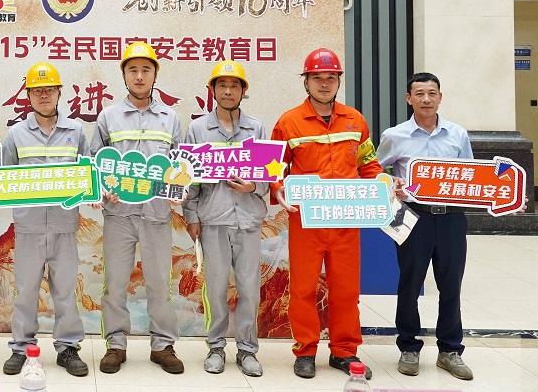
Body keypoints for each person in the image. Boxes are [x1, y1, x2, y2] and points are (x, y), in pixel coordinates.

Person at [270, 47, 382, 380]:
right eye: (317, 77)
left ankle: (344, 351)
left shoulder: (355, 120)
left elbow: (368, 164)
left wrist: (384, 184)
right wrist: (277, 187)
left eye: (330, 77)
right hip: (306, 220)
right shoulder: (289, 122)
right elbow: (275, 166)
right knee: (303, 288)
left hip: (346, 221)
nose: (324, 83)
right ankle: (305, 351)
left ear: (338, 81)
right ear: (306, 81)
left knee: (346, 289)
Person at [92, 42, 184, 374]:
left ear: (155, 75)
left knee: (159, 283)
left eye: (146, 69)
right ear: (124, 75)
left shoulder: (170, 118)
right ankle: (115, 344)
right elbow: (95, 162)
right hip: (119, 216)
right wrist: (102, 187)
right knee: (115, 283)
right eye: (133, 70)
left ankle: (163, 345)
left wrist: (179, 189)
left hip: (156, 214)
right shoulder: (108, 116)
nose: (140, 76)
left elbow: (179, 165)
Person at [378, 72, 474, 380]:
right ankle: (409, 347)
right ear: (409, 98)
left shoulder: (457, 134)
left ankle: (450, 350)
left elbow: (472, 175)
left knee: (451, 285)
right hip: (412, 218)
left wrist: (504, 200)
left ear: (440, 97)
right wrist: (391, 181)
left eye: (432, 93)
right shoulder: (395, 135)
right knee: (409, 284)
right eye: (419, 93)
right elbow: (373, 171)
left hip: (451, 219)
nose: (426, 99)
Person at [0, 62, 91, 377]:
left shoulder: (76, 132)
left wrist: (92, 189)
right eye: (37, 90)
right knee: (26, 291)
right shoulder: (16, 134)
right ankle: (21, 348)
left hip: (65, 226)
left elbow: (88, 174)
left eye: (49, 89)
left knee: (65, 291)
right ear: (28, 95)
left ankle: (68, 349)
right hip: (29, 227)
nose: (43, 95)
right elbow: (5, 178)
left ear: (59, 93)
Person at [182, 61, 266, 377]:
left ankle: (247, 350)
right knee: (215, 288)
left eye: (234, 85)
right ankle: (216, 346)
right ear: (213, 90)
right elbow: (189, 179)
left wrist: (253, 186)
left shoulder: (256, 128)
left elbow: (268, 175)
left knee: (250, 288)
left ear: (243, 91)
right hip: (213, 219)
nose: (228, 91)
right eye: (222, 85)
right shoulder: (197, 130)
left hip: (248, 220)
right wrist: (191, 216)